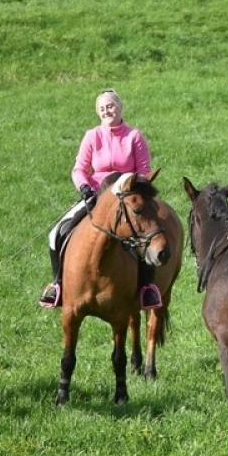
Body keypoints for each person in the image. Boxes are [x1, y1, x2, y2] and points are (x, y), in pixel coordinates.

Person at [40, 90, 158, 309]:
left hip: (126, 198)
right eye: (102, 108)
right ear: (98, 112)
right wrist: (84, 187)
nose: (107, 111)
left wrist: (132, 189)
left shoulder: (134, 136)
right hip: (96, 197)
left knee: (146, 236)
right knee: (57, 232)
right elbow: (79, 169)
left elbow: (143, 171)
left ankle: (146, 288)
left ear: (120, 107)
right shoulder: (92, 136)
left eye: (111, 106)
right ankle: (57, 284)